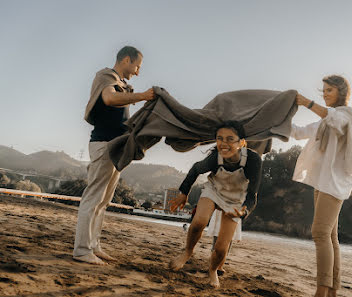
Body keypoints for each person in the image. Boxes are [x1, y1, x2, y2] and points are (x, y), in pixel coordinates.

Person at [73, 46, 155, 265]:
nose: (138, 72)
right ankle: (82, 250)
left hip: (116, 148)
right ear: (126, 60)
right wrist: (143, 96)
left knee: (103, 201)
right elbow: (109, 99)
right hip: (104, 145)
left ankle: (93, 246)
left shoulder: (123, 85)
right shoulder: (106, 76)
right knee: (94, 198)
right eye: (137, 66)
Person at [291, 75, 352, 297]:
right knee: (331, 236)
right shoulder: (324, 121)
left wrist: (307, 103)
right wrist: (277, 118)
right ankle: (331, 291)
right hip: (323, 182)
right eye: (323, 90)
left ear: (341, 93)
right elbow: (298, 132)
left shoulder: (348, 116)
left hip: (335, 183)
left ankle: (321, 291)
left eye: (329, 91)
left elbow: (335, 119)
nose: (324, 94)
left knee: (320, 232)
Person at [169, 121, 262, 288]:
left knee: (220, 248)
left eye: (230, 139)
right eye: (219, 138)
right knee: (199, 222)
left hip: (236, 199)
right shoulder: (215, 157)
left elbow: (252, 194)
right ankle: (187, 252)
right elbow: (196, 169)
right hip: (214, 190)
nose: (223, 143)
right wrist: (184, 193)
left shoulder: (253, 160)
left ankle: (212, 270)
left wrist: (243, 211)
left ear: (241, 142)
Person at [207, 209, 242, 275]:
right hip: (219, 231)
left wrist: (238, 235)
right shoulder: (220, 207)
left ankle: (220, 266)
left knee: (226, 250)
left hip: (230, 231)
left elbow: (238, 222)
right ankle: (213, 266)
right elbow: (214, 219)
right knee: (216, 249)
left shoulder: (236, 208)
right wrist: (212, 230)